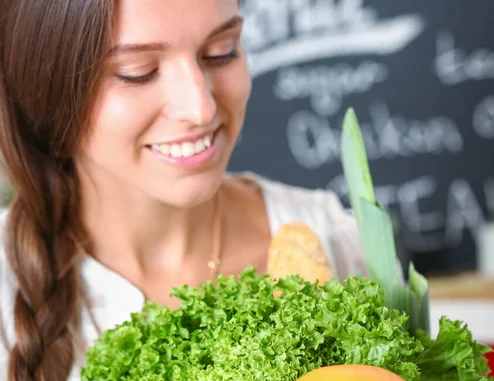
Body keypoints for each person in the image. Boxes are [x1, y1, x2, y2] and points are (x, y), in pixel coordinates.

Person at [0, 1, 370, 380]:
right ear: (45, 93)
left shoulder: (337, 240)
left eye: (221, 52)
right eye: (138, 73)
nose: (201, 109)